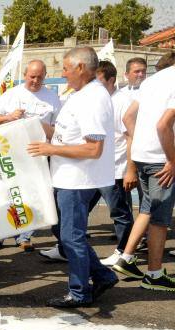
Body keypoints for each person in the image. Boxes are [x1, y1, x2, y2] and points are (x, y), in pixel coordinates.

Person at [27, 47, 119, 307]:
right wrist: (35, 125)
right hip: (66, 178)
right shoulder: (82, 94)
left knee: (71, 236)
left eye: (66, 68)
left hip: (78, 180)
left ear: (81, 68)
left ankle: (79, 292)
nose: (63, 73)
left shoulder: (94, 98)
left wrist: (50, 149)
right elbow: (65, 132)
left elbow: (93, 147)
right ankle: (102, 275)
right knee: (62, 231)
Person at [111, 61, 175, 291]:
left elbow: (128, 117)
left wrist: (141, 142)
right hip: (160, 158)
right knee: (160, 216)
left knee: (148, 209)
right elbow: (163, 125)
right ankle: (154, 275)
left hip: (141, 154)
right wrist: (172, 159)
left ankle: (126, 258)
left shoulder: (153, 80)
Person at [0, 59, 61, 253]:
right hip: (10, 154)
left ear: (45, 76)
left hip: (38, 155)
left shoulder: (52, 98)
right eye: (32, 76)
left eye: (39, 77)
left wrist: (40, 125)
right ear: (25, 75)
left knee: (32, 196)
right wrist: (9, 117)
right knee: (5, 193)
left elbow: (59, 131)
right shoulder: (11, 95)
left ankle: (25, 236)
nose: (35, 81)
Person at [90, 61, 135, 266]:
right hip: (95, 166)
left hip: (115, 168)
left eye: (100, 82)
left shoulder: (123, 101)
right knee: (81, 208)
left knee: (120, 212)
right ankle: (66, 247)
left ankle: (124, 251)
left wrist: (129, 171)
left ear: (111, 80)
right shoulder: (98, 100)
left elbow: (131, 137)